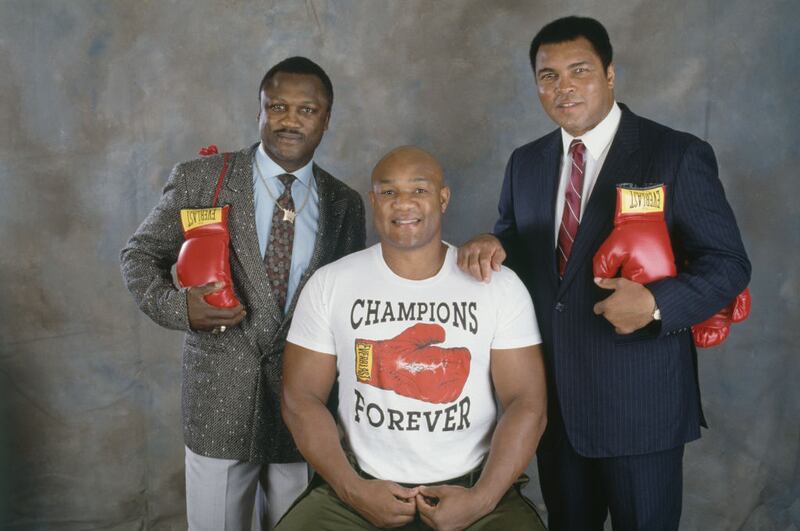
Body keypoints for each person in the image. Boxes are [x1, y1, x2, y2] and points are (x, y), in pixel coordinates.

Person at [458, 16, 751, 531]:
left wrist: (657, 305)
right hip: (557, 406)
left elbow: (728, 266)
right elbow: (517, 244)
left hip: (643, 405)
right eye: (548, 76)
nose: (563, 87)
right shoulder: (525, 163)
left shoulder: (675, 154)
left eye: (579, 70)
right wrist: (492, 240)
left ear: (610, 74)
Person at [120, 56, 365, 530]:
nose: (290, 120)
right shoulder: (203, 179)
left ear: (327, 118)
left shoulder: (344, 204)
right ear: (259, 110)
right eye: (277, 106)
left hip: (303, 407)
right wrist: (180, 307)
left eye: (306, 110)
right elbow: (139, 255)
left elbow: (349, 309)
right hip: (218, 404)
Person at [276, 146, 548, 530]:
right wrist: (352, 489)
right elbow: (300, 398)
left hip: (471, 484)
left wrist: (481, 500)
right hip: (361, 486)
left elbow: (527, 403)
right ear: (373, 200)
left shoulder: (496, 285)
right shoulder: (331, 283)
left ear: (443, 198)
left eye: (419, 190)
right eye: (388, 192)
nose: (403, 204)